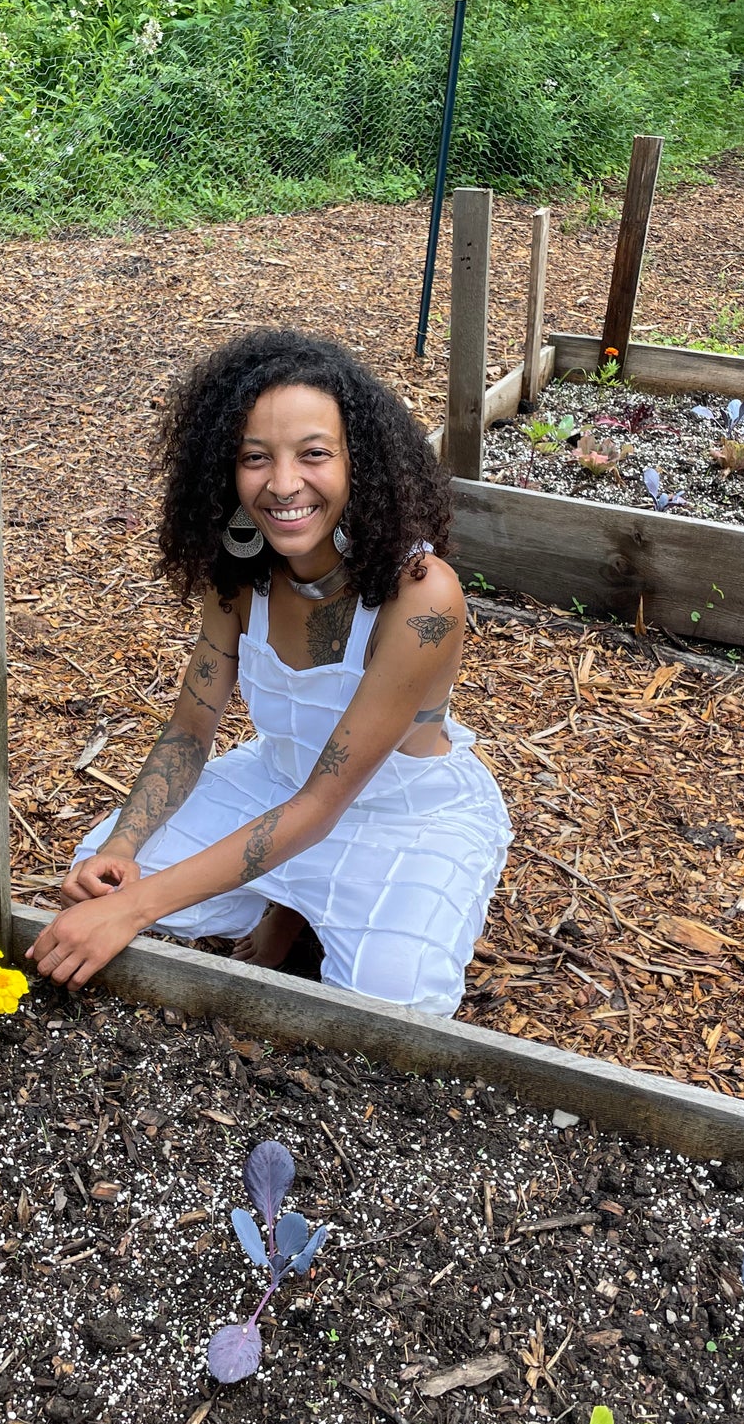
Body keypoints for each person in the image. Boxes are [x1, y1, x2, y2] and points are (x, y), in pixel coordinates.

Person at [26, 328, 512, 1016]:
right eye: (256, 458)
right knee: (95, 865)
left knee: (393, 1002)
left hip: (401, 811)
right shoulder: (238, 580)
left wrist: (133, 908)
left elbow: (323, 807)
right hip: (281, 782)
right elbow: (192, 729)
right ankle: (292, 897)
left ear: (360, 463)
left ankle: (298, 910)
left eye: (313, 454)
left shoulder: (421, 596)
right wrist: (123, 847)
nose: (283, 484)